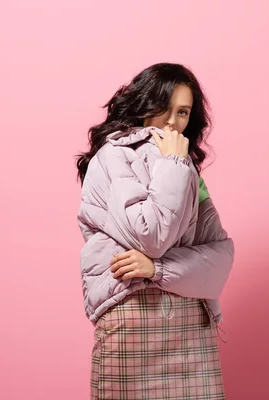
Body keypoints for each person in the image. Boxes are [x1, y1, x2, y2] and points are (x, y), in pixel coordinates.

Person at [75, 62, 235, 399]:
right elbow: (151, 236)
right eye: (165, 107)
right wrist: (174, 163)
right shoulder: (112, 157)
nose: (173, 122)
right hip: (133, 318)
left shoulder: (187, 169)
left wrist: (157, 269)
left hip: (191, 325)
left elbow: (220, 256)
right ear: (145, 103)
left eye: (183, 112)